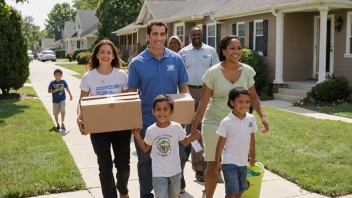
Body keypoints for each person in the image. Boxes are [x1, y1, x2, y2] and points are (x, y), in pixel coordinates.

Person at [190, 35, 269, 198]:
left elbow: (253, 97)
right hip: (214, 123)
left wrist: (263, 116)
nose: (236, 51)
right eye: (232, 48)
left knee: (237, 165)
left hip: (237, 124)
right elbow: (204, 103)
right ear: (224, 51)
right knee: (214, 166)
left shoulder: (247, 71)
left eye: (239, 48)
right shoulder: (213, 73)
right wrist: (194, 127)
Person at [127, 20, 190, 198]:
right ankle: (146, 195)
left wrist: (184, 112)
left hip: (173, 122)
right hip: (146, 121)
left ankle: (172, 193)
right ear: (147, 36)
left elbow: (184, 88)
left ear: (166, 35)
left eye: (162, 34)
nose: (159, 38)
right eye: (154, 34)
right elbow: (131, 94)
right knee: (146, 162)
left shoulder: (176, 59)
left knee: (177, 158)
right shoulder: (137, 63)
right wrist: (133, 122)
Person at [77, 39, 130, 198]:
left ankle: (123, 189)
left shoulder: (121, 75)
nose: (105, 55)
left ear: (114, 56)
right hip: (99, 127)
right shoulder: (89, 77)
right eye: (102, 52)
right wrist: (80, 117)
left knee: (123, 165)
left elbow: (129, 101)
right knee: (105, 167)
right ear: (97, 55)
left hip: (121, 127)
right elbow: (82, 102)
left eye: (109, 52)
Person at [132, 95, 199, 198]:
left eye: (165, 109)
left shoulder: (176, 127)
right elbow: (145, 148)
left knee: (174, 195)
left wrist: (192, 136)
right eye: (158, 109)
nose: (162, 112)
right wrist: (137, 136)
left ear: (171, 112)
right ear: (153, 112)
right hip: (158, 172)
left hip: (175, 171)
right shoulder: (151, 130)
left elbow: (184, 142)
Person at [178, 26, 220, 185]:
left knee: (208, 128)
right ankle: (198, 167)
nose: (196, 36)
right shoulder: (183, 52)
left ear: (202, 35)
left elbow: (217, 71)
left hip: (206, 92)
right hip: (188, 92)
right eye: (193, 34)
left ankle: (211, 164)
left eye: (198, 34)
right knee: (193, 129)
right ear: (190, 35)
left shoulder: (210, 51)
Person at [214, 87, 257, 198]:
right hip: (229, 162)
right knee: (231, 191)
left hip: (243, 162)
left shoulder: (251, 119)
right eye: (240, 102)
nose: (245, 105)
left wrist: (252, 156)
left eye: (247, 101)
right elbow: (220, 143)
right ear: (232, 102)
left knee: (240, 191)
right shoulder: (226, 122)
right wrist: (218, 161)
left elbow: (252, 139)